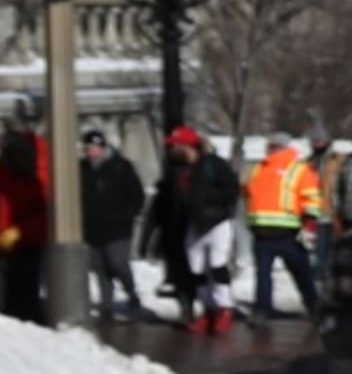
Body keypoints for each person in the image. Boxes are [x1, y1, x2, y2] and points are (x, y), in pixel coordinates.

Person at [150, 125, 243, 332]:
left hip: (216, 221)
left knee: (217, 265)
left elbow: (232, 190)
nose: (172, 150)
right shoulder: (178, 169)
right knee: (196, 268)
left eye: (176, 146)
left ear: (187, 145)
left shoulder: (212, 164)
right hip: (193, 224)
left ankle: (224, 309)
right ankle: (208, 310)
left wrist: (207, 201)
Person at [243, 133, 327, 320]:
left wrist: (309, 224)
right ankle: (265, 309)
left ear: (283, 147)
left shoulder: (296, 169)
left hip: (286, 232)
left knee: (297, 272)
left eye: (273, 146)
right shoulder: (260, 168)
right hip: (268, 232)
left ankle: (311, 306)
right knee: (272, 274)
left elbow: (312, 198)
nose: (270, 149)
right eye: (270, 145)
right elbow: (248, 192)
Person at [0, 106, 54, 324]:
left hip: (27, 242)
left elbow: (44, 216)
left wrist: (20, 232)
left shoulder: (37, 172)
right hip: (8, 240)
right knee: (6, 297)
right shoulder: (6, 170)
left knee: (23, 295)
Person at [79, 127, 149, 317]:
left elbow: (136, 196)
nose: (91, 151)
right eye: (88, 147)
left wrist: (126, 215)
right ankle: (107, 303)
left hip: (118, 228)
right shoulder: (82, 169)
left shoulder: (121, 166)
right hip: (92, 228)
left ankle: (131, 293)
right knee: (100, 267)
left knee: (117, 262)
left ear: (103, 147)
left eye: (95, 147)